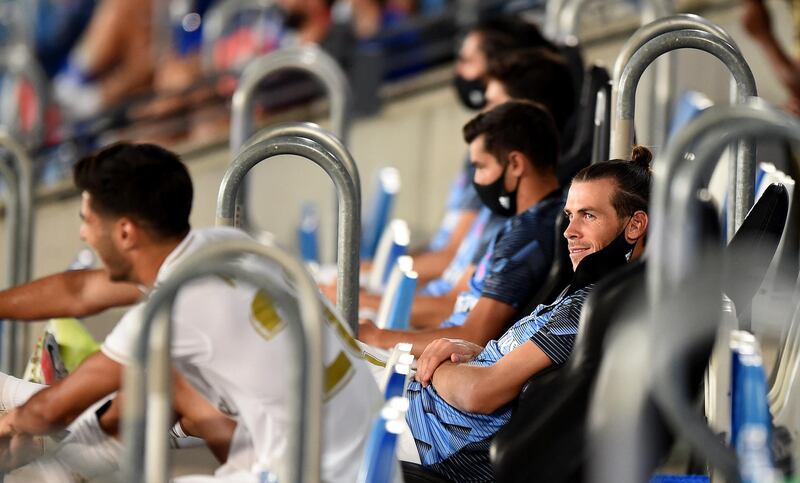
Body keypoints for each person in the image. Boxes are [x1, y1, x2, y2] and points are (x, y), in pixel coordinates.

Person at [0, 143, 382, 482]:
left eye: (87, 221)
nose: (83, 234)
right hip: (360, 459)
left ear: (126, 233)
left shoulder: (176, 311)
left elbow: (53, 409)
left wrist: (12, 421)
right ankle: (54, 472)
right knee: (164, 386)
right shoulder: (227, 244)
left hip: (314, 471)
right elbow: (82, 291)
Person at [399, 146, 653, 482]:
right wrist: (472, 353)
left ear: (635, 225)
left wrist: (433, 370)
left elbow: (481, 394)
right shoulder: (586, 291)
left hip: (429, 443)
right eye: (570, 215)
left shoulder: (593, 307)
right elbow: (530, 376)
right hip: (419, 416)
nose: (569, 231)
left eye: (588, 216)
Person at [358, 101, 564, 356]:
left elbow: (472, 336)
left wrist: (377, 337)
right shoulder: (527, 222)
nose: (476, 181)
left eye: (481, 167)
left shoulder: (528, 233)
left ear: (515, 164)